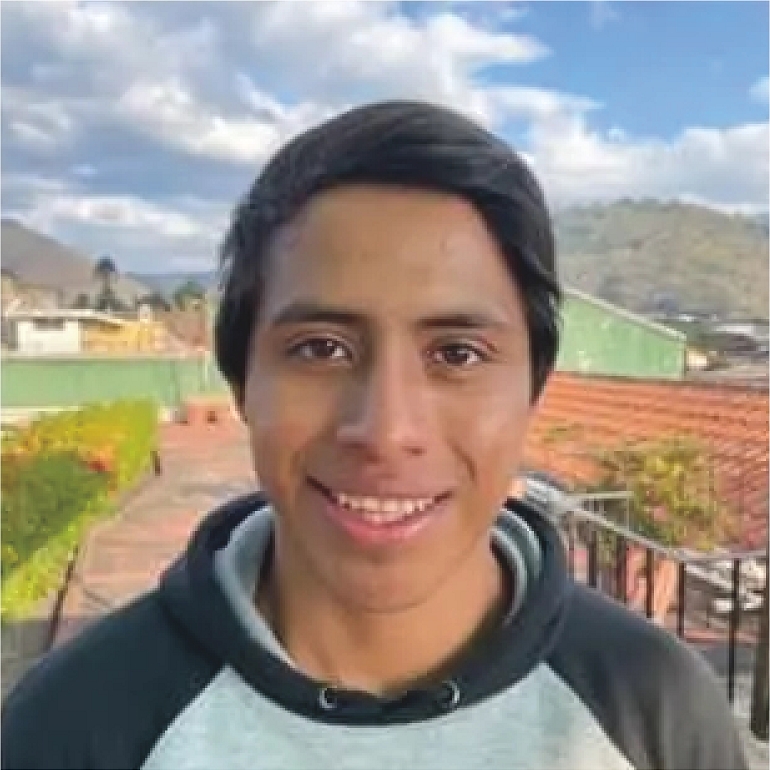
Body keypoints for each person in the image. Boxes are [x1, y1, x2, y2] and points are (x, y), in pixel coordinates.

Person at [2, 100, 747, 770]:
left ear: (532, 388)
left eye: (457, 354)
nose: (387, 431)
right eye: (321, 348)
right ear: (240, 382)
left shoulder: (651, 709)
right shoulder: (81, 724)